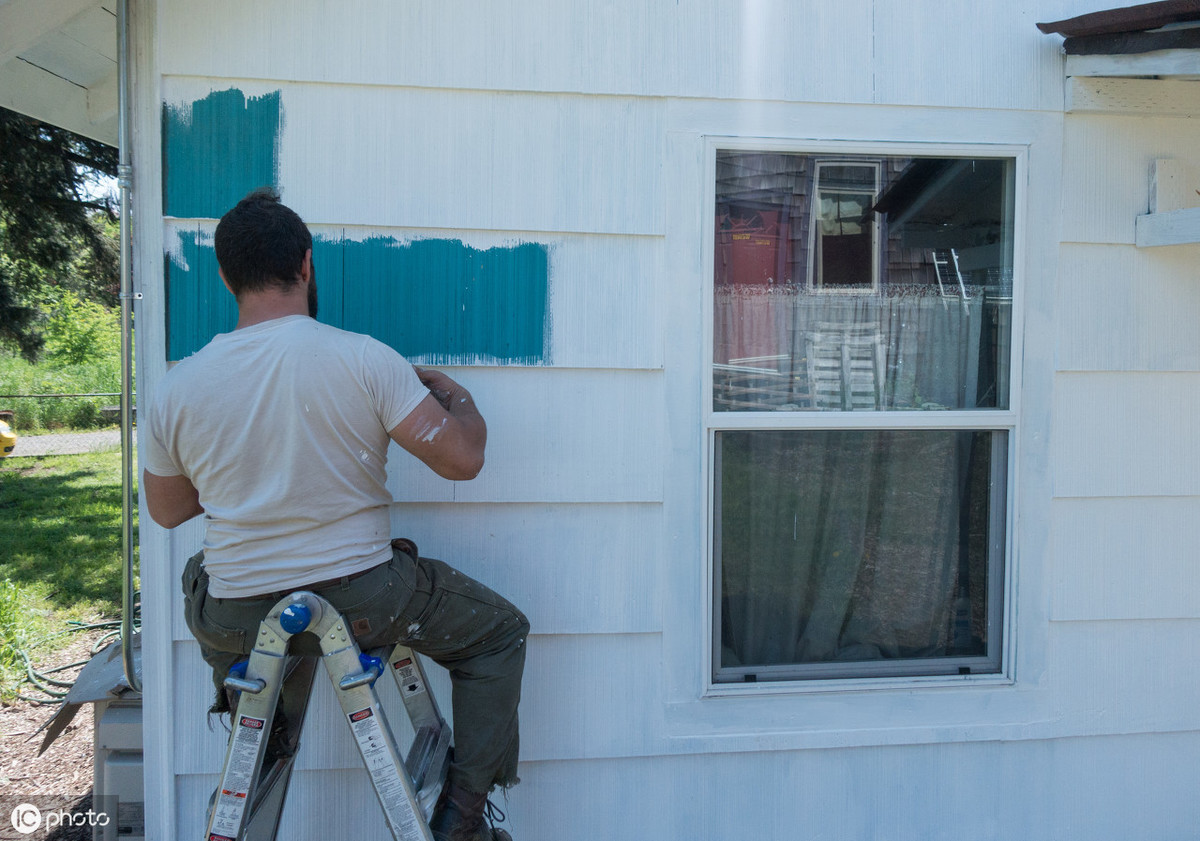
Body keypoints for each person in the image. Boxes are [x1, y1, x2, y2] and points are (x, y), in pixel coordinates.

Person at [141, 188, 527, 841]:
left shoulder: (179, 385)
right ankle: (462, 814)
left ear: (226, 276)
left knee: (202, 574)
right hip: (362, 599)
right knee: (500, 632)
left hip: (241, 611)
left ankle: (250, 706)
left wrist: (245, 466)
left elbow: (169, 509)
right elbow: (462, 459)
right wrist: (458, 398)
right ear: (307, 263)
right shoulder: (363, 359)